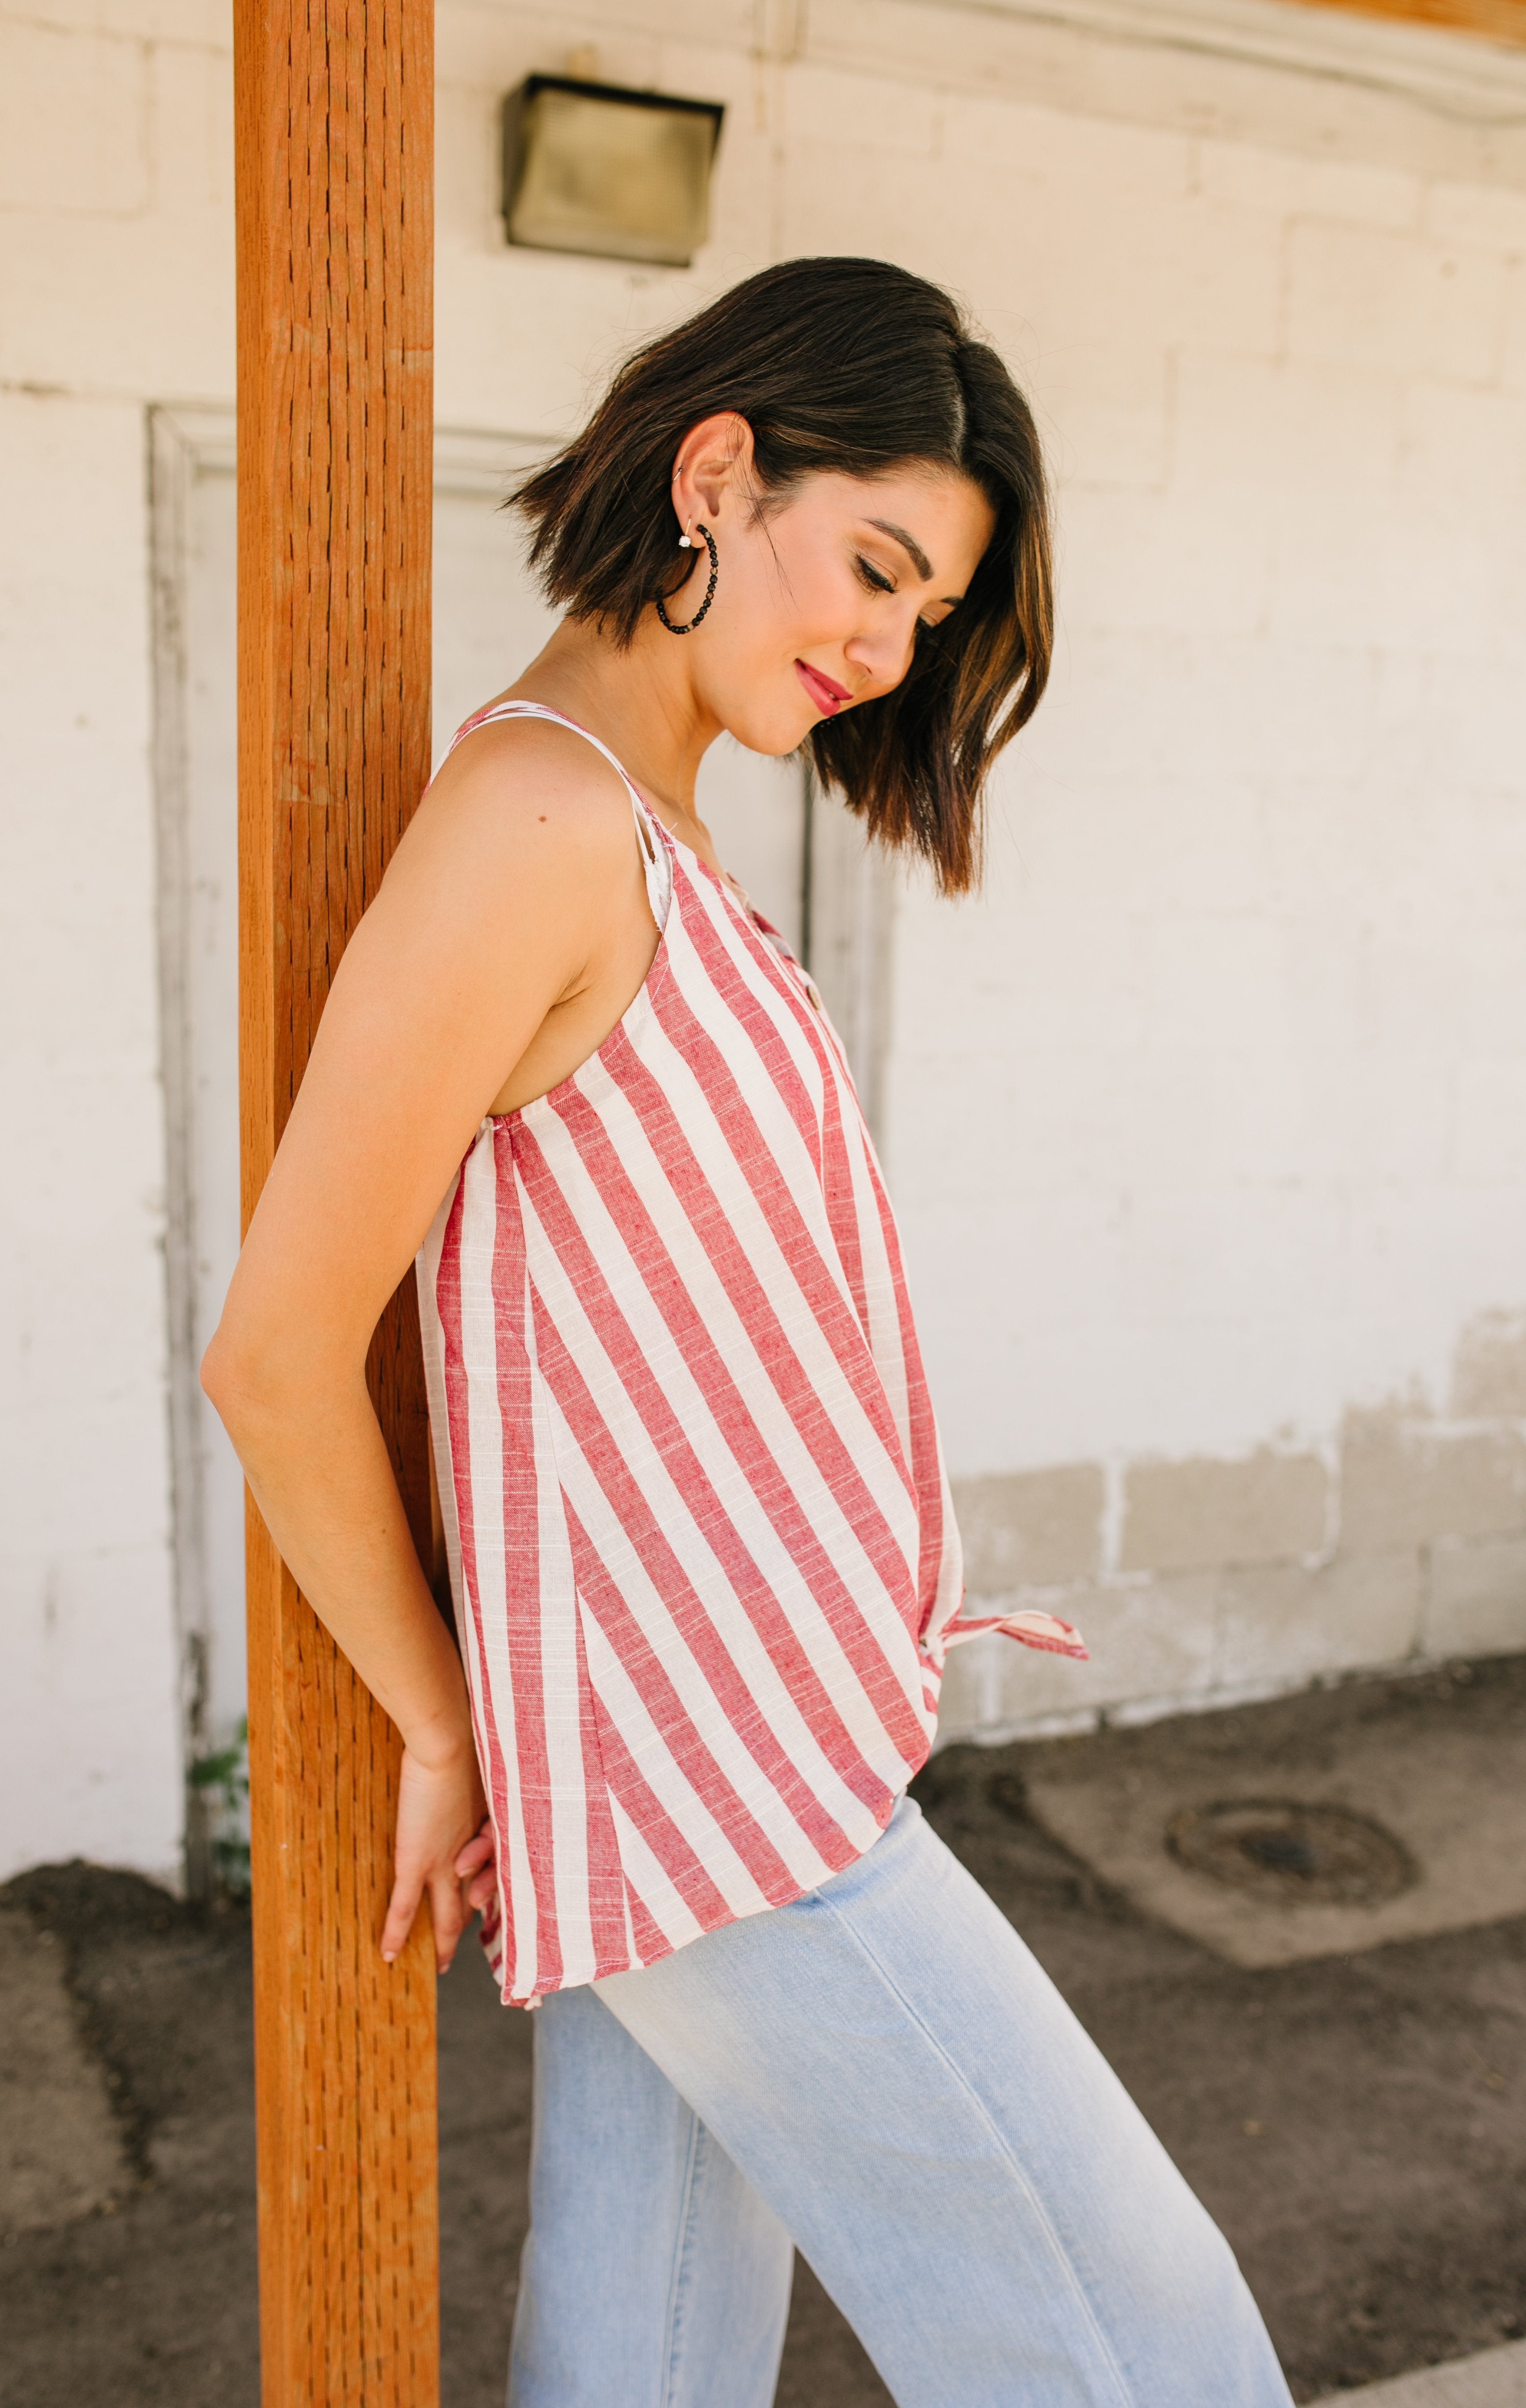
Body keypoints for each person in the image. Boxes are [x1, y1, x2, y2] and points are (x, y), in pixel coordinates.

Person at [203, 258, 1291, 2408]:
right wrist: (441, 1718)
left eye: (929, 613)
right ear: (720, 471)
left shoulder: (648, 827)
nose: (889, 647)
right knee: (1147, 2347)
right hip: (721, 1778)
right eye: (874, 563)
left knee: (652, 2355)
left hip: (717, 1757)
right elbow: (276, 1345)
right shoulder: (539, 820)